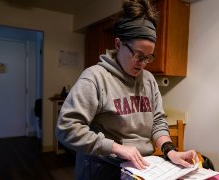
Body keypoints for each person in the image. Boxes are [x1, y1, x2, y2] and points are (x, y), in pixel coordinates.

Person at [56, 0, 202, 179]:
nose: (143, 64)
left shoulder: (148, 80)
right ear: (118, 45)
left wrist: (170, 151)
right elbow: (66, 128)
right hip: (102, 169)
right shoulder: (95, 78)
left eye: (148, 57)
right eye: (138, 56)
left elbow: (157, 121)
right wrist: (116, 148)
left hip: (141, 169)